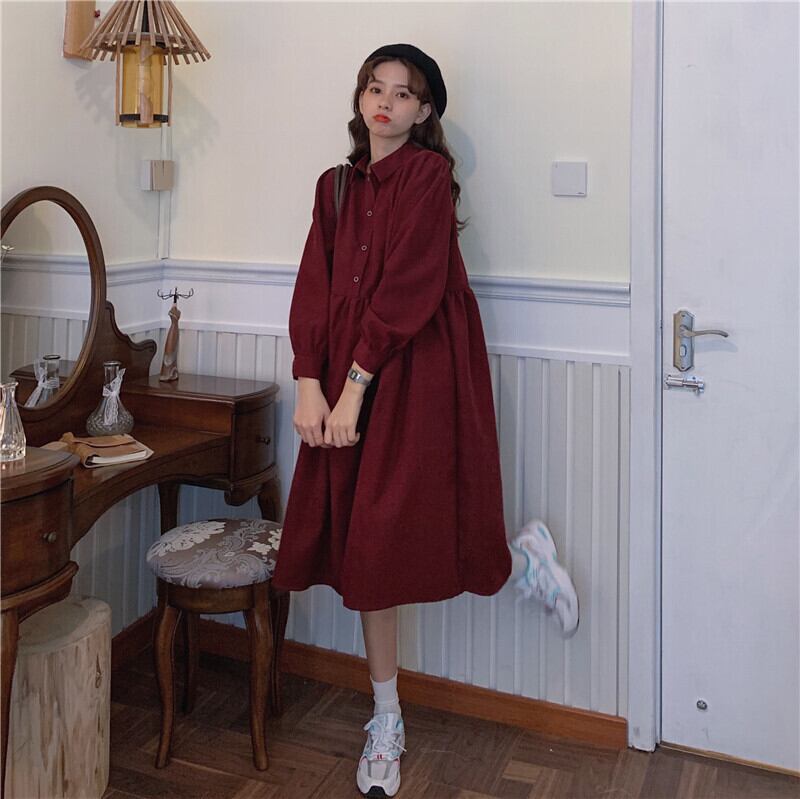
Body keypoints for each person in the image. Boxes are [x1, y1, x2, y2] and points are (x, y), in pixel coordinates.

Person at [270, 43, 578, 798]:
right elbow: (315, 285)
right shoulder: (334, 186)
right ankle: (387, 715)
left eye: (403, 93)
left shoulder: (429, 177)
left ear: (425, 109)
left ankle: (520, 561)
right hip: (347, 372)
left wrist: (353, 389)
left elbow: (409, 289)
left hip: (417, 370)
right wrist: (309, 383)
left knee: (405, 528)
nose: (385, 102)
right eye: (374, 88)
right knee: (366, 555)